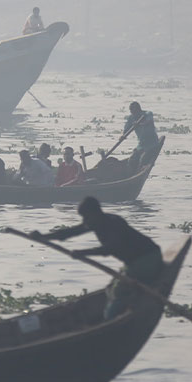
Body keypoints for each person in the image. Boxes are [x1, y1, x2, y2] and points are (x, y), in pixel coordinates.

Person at [32, 197, 164, 320]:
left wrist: (83, 253)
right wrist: (43, 237)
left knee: (119, 291)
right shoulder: (94, 223)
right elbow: (68, 233)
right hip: (134, 262)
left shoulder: (113, 223)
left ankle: (111, 319)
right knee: (111, 287)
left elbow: (110, 249)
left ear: (95, 213)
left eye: (86, 217)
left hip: (148, 258)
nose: (84, 221)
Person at [125, 102, 162, 171]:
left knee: (143, 160)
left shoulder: (148, 114)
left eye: (135, 112)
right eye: (132, 112)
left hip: (152, 144)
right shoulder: (131, 118)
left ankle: (139, 171)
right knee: (131, 160)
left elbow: (147, 121)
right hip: (141, 145)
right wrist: (123, 136)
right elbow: (126, 129)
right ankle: (131, 173)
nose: (133, 114)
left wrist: (140, 124)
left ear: (139, 110)